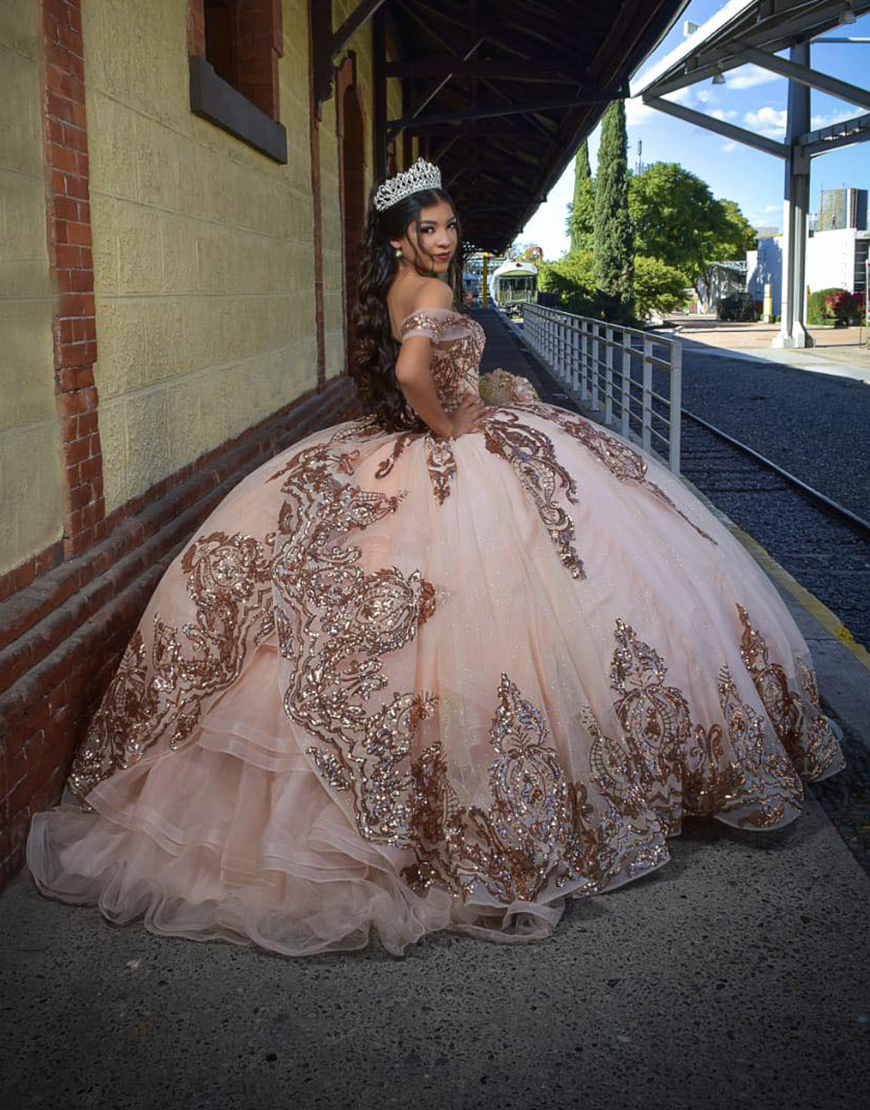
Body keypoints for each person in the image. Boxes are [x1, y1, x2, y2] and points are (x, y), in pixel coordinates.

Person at [26, 158, 846, 956]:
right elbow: (419, 371)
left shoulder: (391, 289)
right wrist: (458, 425)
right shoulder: (434, 291)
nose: (446, 238)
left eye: (451, 225)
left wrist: (472, 398)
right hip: (444, 450)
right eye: (429, 228)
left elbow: (406, 367)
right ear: (401, 238)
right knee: (531, 602)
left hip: (392, 444)